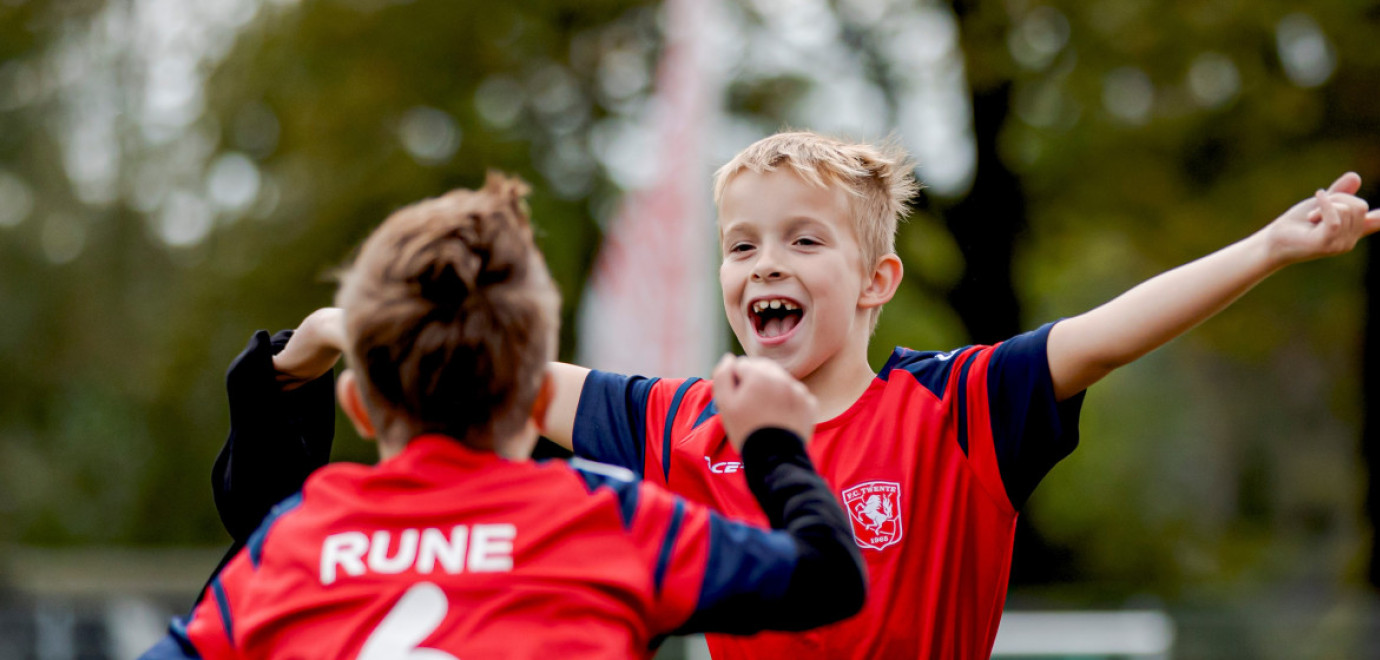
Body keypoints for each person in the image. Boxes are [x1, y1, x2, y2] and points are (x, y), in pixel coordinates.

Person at [215, 133, 1380, 658]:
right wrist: (334, 333)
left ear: (877, 282)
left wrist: (1266, 248)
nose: (763, 265)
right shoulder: (683, 421)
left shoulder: (960, 408)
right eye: (741, 246)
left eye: (803, 241)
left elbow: (1106, 331)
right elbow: (493, 367)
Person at [140, 172, 865, 659]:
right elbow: (829, 579)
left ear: (359, 406)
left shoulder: (290, 547)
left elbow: (247, 543)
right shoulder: (608, 522)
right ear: (540, 401)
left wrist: (292, 361)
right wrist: (773, 444)